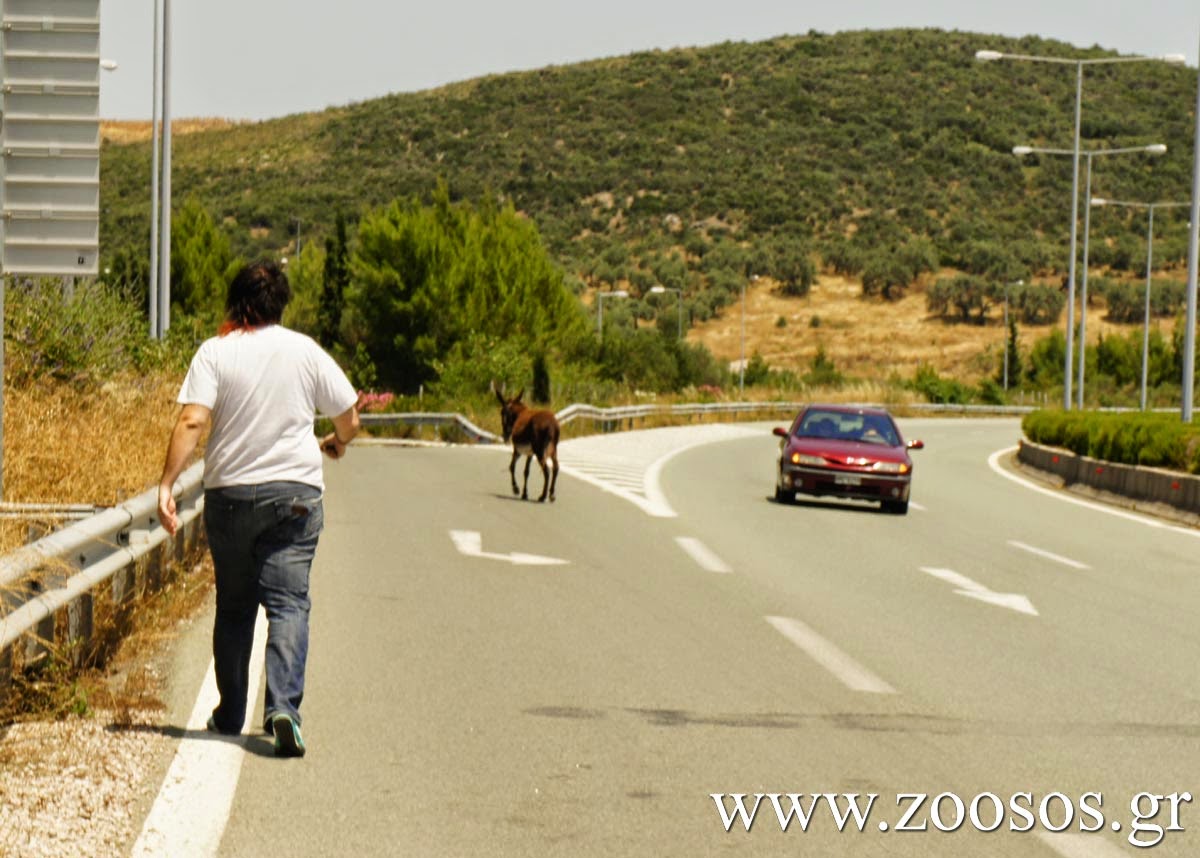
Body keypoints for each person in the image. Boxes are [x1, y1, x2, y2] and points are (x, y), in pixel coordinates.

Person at [157, 260, 360, 758]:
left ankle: (229, 713)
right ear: (280, 304)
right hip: (294, 494)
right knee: (289, 605)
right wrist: (335, 441)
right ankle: (283, 709)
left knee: (234, 606)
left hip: (230, 498)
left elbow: (192, 421)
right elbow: (350, 415)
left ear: (235, 301)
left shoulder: (215, 352)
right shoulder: (305, 350)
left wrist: (166, 483)